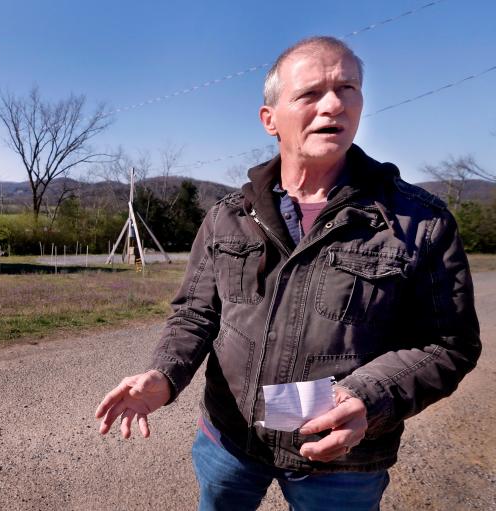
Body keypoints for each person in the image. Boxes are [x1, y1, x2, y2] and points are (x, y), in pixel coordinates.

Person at [95, 36, 481, 510]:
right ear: (270, 119)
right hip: (230, 441)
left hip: (342, 460)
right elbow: (195, 316)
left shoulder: (419, 222)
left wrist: (369, 397)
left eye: (348, 88)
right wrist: (163, 374)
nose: (334, 104)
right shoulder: (227, 216)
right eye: (310, 94)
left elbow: (449, 343)